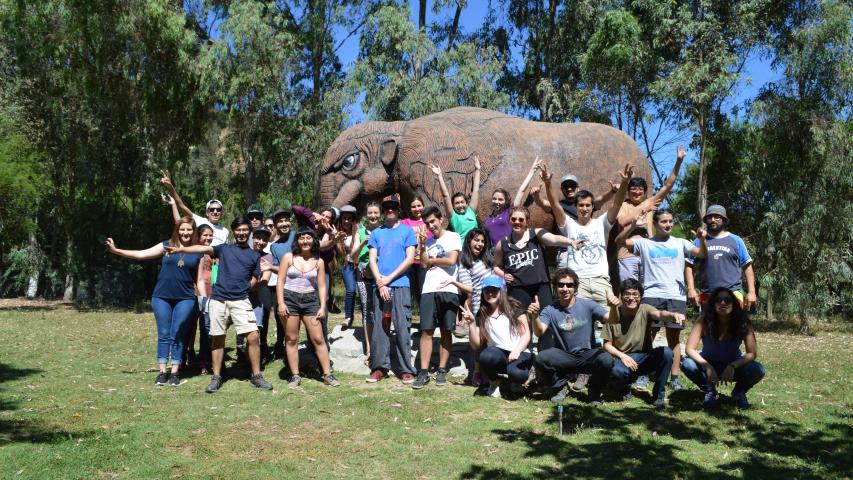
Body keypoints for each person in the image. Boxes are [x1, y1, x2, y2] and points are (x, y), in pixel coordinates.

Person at [166, 216, 274, 393]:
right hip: (219, 300)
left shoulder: (254, 255)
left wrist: (248, 286)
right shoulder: (223, 249)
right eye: (238, 230)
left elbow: (256, 276)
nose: (241, 233)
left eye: (245, 230)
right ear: (234, 231)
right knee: (218, 337)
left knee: (253, 336)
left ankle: (256, 376)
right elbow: (202, 247)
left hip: (241, 300)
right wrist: (180, 250)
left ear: (249, 232)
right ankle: (216, 377)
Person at [615, 208, 707, 392]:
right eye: (664, 221)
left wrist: (702, 239)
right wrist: (633, 225)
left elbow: (702, 254)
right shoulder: (645, 244)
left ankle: (674, 378)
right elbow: (619, 242)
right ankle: (643, 374)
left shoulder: (681, 243)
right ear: (655, 224)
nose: (668, 224)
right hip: (651, 294)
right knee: (648, 336)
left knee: (674, 338)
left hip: (675, 296)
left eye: (671, 221)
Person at [105, 217, 204, 386]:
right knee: (164, 334)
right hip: (161, 297)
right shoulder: (166, 245)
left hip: (186, 299)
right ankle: (162, 372)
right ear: (177, 230)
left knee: (178, 334)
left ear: (193, 231)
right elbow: (141, 254)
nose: (186, 233)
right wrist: (116, 251)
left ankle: (175, 373)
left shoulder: (198, 251)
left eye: (189, 230)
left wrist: (203, 300)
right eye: (182, 229)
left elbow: (200, 279)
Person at [543, 163, 631, 307]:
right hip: (578, 281)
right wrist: (547, 183)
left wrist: (625, 183)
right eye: (581, 205)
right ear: (576, 207)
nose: (584, 208)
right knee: (580, 323)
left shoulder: (602, 222)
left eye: (588, 205)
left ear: (592, 207)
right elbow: (555, 205)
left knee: (607, 322)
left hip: (600, 280)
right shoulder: (569, 224)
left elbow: (617, 204)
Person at [530, 268, 614, 404]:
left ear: (575, 288)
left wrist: (614, 307)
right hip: (564, 356)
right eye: (561, 285)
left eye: (569, 285)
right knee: (541, 358)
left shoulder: (588, 305)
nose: (565, 288)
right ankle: (561, 387)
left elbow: (612, 320)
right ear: (555, 287)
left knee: (606, 359)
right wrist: (535, 317)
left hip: (587, 355)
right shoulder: (550, 310)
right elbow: (539, 332)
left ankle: (594, 391)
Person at [602, 279, 685, 408]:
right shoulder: (613, 313)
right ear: (621, 296)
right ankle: (624, 389)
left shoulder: (645, 309)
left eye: (635, 294)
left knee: (667, 353)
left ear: (640, 297)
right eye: (627, 294)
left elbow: (659, 314)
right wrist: (623, 356)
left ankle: (658, 396)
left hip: (644, 358)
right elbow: (607, 345)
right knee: (616, 371)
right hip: (622, 359)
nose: (631, 298)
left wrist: (672, 315)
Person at [275, 228, 339, 387]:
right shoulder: (288, 257)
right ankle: (295, 375)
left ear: (314, 241)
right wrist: (281, 303)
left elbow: (322, 286)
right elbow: (280, 281)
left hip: (311, 301)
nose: (305, 241)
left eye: (308, 238)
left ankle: (327, 374)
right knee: (291, 338)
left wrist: (322, 306)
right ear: (297, 241)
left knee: (318, 338)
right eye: (302, 238)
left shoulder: (319, 261)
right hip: (290, 300)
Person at [682, 288, 765, 409]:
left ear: (734, 303)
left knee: (758, 370)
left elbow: (752, 353)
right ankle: (710, 391)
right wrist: (707, 366)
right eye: (718, 300)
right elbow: (689, 349)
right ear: (713, 304)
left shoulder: (743, 323)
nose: (722, 303)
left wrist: (732, 366)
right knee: (687, 364)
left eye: (727, 300)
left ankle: (738, 392)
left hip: (733, 366)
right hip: (709, 365)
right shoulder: (703, 321)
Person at [365, 194, 418, 384]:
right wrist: (380, 281)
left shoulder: (407, 232)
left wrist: (388, 279)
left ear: (398, 210)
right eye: (386, 207)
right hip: (379, 286)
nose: (390, 210)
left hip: (400, 285)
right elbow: (372, 259)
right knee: (380, 327)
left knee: (402, 326)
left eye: (393, 207)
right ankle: (379, 367)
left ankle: (406, 369)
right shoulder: (377, 233)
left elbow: (410, 259)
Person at [615, 147, 685, 283]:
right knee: (629, 292)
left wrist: (678, 162)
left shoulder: (650, 202)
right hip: (627, 255)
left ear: (645, 192)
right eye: (633, 189)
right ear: (628, 191)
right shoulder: (624, 205)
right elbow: (622, 222)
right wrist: (644, 209)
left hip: (649, 255)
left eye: (640, 190)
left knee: (647, 293)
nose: (637, 192)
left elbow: (667, 185)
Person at [493, 206, 581, 312]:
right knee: (521, 322)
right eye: (513, 219)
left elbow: (553, 239)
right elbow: (496, 266)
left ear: (527, 221)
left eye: (521, 219)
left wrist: (571, 242)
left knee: (547, 317)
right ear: (509, 221)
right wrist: (503, 274)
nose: (517, 222)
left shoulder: (536, 234)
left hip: (540, 286)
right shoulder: (503, 243)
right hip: (517, 288)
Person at [412, 206, 462, 389]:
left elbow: (451, 260)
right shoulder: (427, 242)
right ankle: (423, 372)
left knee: (446, 330)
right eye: (427, 223)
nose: (431, 225)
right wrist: (423, 245)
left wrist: (432, 260)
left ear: (441, 219)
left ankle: (442, 369)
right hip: (429, 289)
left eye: (433, 221)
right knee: (426, 330)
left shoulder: (453, 237)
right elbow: (423, 264)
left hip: (449, 288)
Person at [438, 227, 493, 386]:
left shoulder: (487, 258)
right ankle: (476, 373)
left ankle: (490, 373)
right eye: (476, 240)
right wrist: (455, 282)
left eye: (483, 241)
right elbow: (468, 288)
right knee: (479, 342)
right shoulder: (464, 261)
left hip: (496, 305)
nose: (480, 244)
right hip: (479, 306)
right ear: (469, 241)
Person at [461, 275, 532, 398]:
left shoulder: (514, 307)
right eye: (487, 290)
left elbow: (526, 334)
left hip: (519, 352)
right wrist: (472, 323)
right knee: (485, 356)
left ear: (501, 291)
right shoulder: (482, 313)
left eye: (494, 290)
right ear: (483, 292)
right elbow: (476, 344)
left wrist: (517, 351)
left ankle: (516, 380)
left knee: (516, 373)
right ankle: (494, 382)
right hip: (498, 354)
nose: (490, 294)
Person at [685, 204, 757, 310]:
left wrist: (751, 291)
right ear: (706, 221)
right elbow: (689, 265)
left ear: (724, 220)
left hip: (733, 293)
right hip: (708, 294)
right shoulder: (699, 241)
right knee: (709, 326)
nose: (713, 220)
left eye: (717, 217)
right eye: (710, 217)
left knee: (735, 326)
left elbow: (747, 266)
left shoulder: (736, 240)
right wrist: (691, 289)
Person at [348, 201, 382, 362]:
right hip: (363, 276)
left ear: (380, 214)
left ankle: (381, 346)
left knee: (381, 311)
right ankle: (369, 349)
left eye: (376, 213)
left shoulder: (385, 231)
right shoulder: (360, 232)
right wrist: (363, 242)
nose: (373, 216)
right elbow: (353, 256)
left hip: (382, 277)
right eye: (370, 213)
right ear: (366, 215)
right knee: (367, 310)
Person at [483, 157, 542, 247]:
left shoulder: (509, 212)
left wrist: (532, 171)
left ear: (506, 201)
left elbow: (521, 190)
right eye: (494, 198)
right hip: (493, 254)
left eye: (500, 199)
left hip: (509, 250)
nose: (497, 201)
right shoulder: (489, 218)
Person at [160, 170, 229, 246]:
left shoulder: (225, 231)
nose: (215, 212)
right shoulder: (199, 221)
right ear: (207, 213)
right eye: (212, 209)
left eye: (218, 210)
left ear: (222, 213)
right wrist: (171, 187)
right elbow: (182, 207)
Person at [430, 158, 481, 241]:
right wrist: (439, 176)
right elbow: (446, 196)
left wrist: (477, 169)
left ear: (467, 203)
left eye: (462, 202)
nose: (460, 205)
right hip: (463, 250)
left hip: (477, 247)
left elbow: (476, 190)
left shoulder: (471, 211)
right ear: (453, 206)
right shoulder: (453, 216)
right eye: (457, 203)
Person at [268, 208, 296, 360]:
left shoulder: (298, 236)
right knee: (289, 323)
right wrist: (270, 267)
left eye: (286, 220)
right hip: (287, 289)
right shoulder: (274, 246)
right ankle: (289, 353)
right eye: (280, 221)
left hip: (307, 286)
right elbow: (280, 269)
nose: (284, 223)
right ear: (275, 225)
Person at [400, 196, 432, 309]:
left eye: (419, 205)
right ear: (409, 208)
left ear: (423, 206)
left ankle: (427, 318)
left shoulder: (429, 222)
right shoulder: (404, 222)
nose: (417, 208)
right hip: (410, 262)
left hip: (424, 262)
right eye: (413, 206)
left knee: (424, 290)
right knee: (412, 291)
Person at [249, 226, 274, 360]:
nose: (261, 241)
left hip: (256, 296)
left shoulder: (267, 257)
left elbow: (265, 280)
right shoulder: (244, 252)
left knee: (256, 327)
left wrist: (251, 286)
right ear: (253, 238)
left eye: (265, 239)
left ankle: (255, 357)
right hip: (240, 296)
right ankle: (242, 354)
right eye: (258, 238)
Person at [337, 205, 361, 330]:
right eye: (344, 218)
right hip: (347, 265)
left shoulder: (359, 230)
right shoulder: (337, 233)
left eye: (349, 218)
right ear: (341, 219)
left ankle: (366, 318)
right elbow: (342, 255)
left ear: (353, 220)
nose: (346, 221)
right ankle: (348, 317)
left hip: (360, 265)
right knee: (351, 290)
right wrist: (339, 240)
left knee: (363, 293)